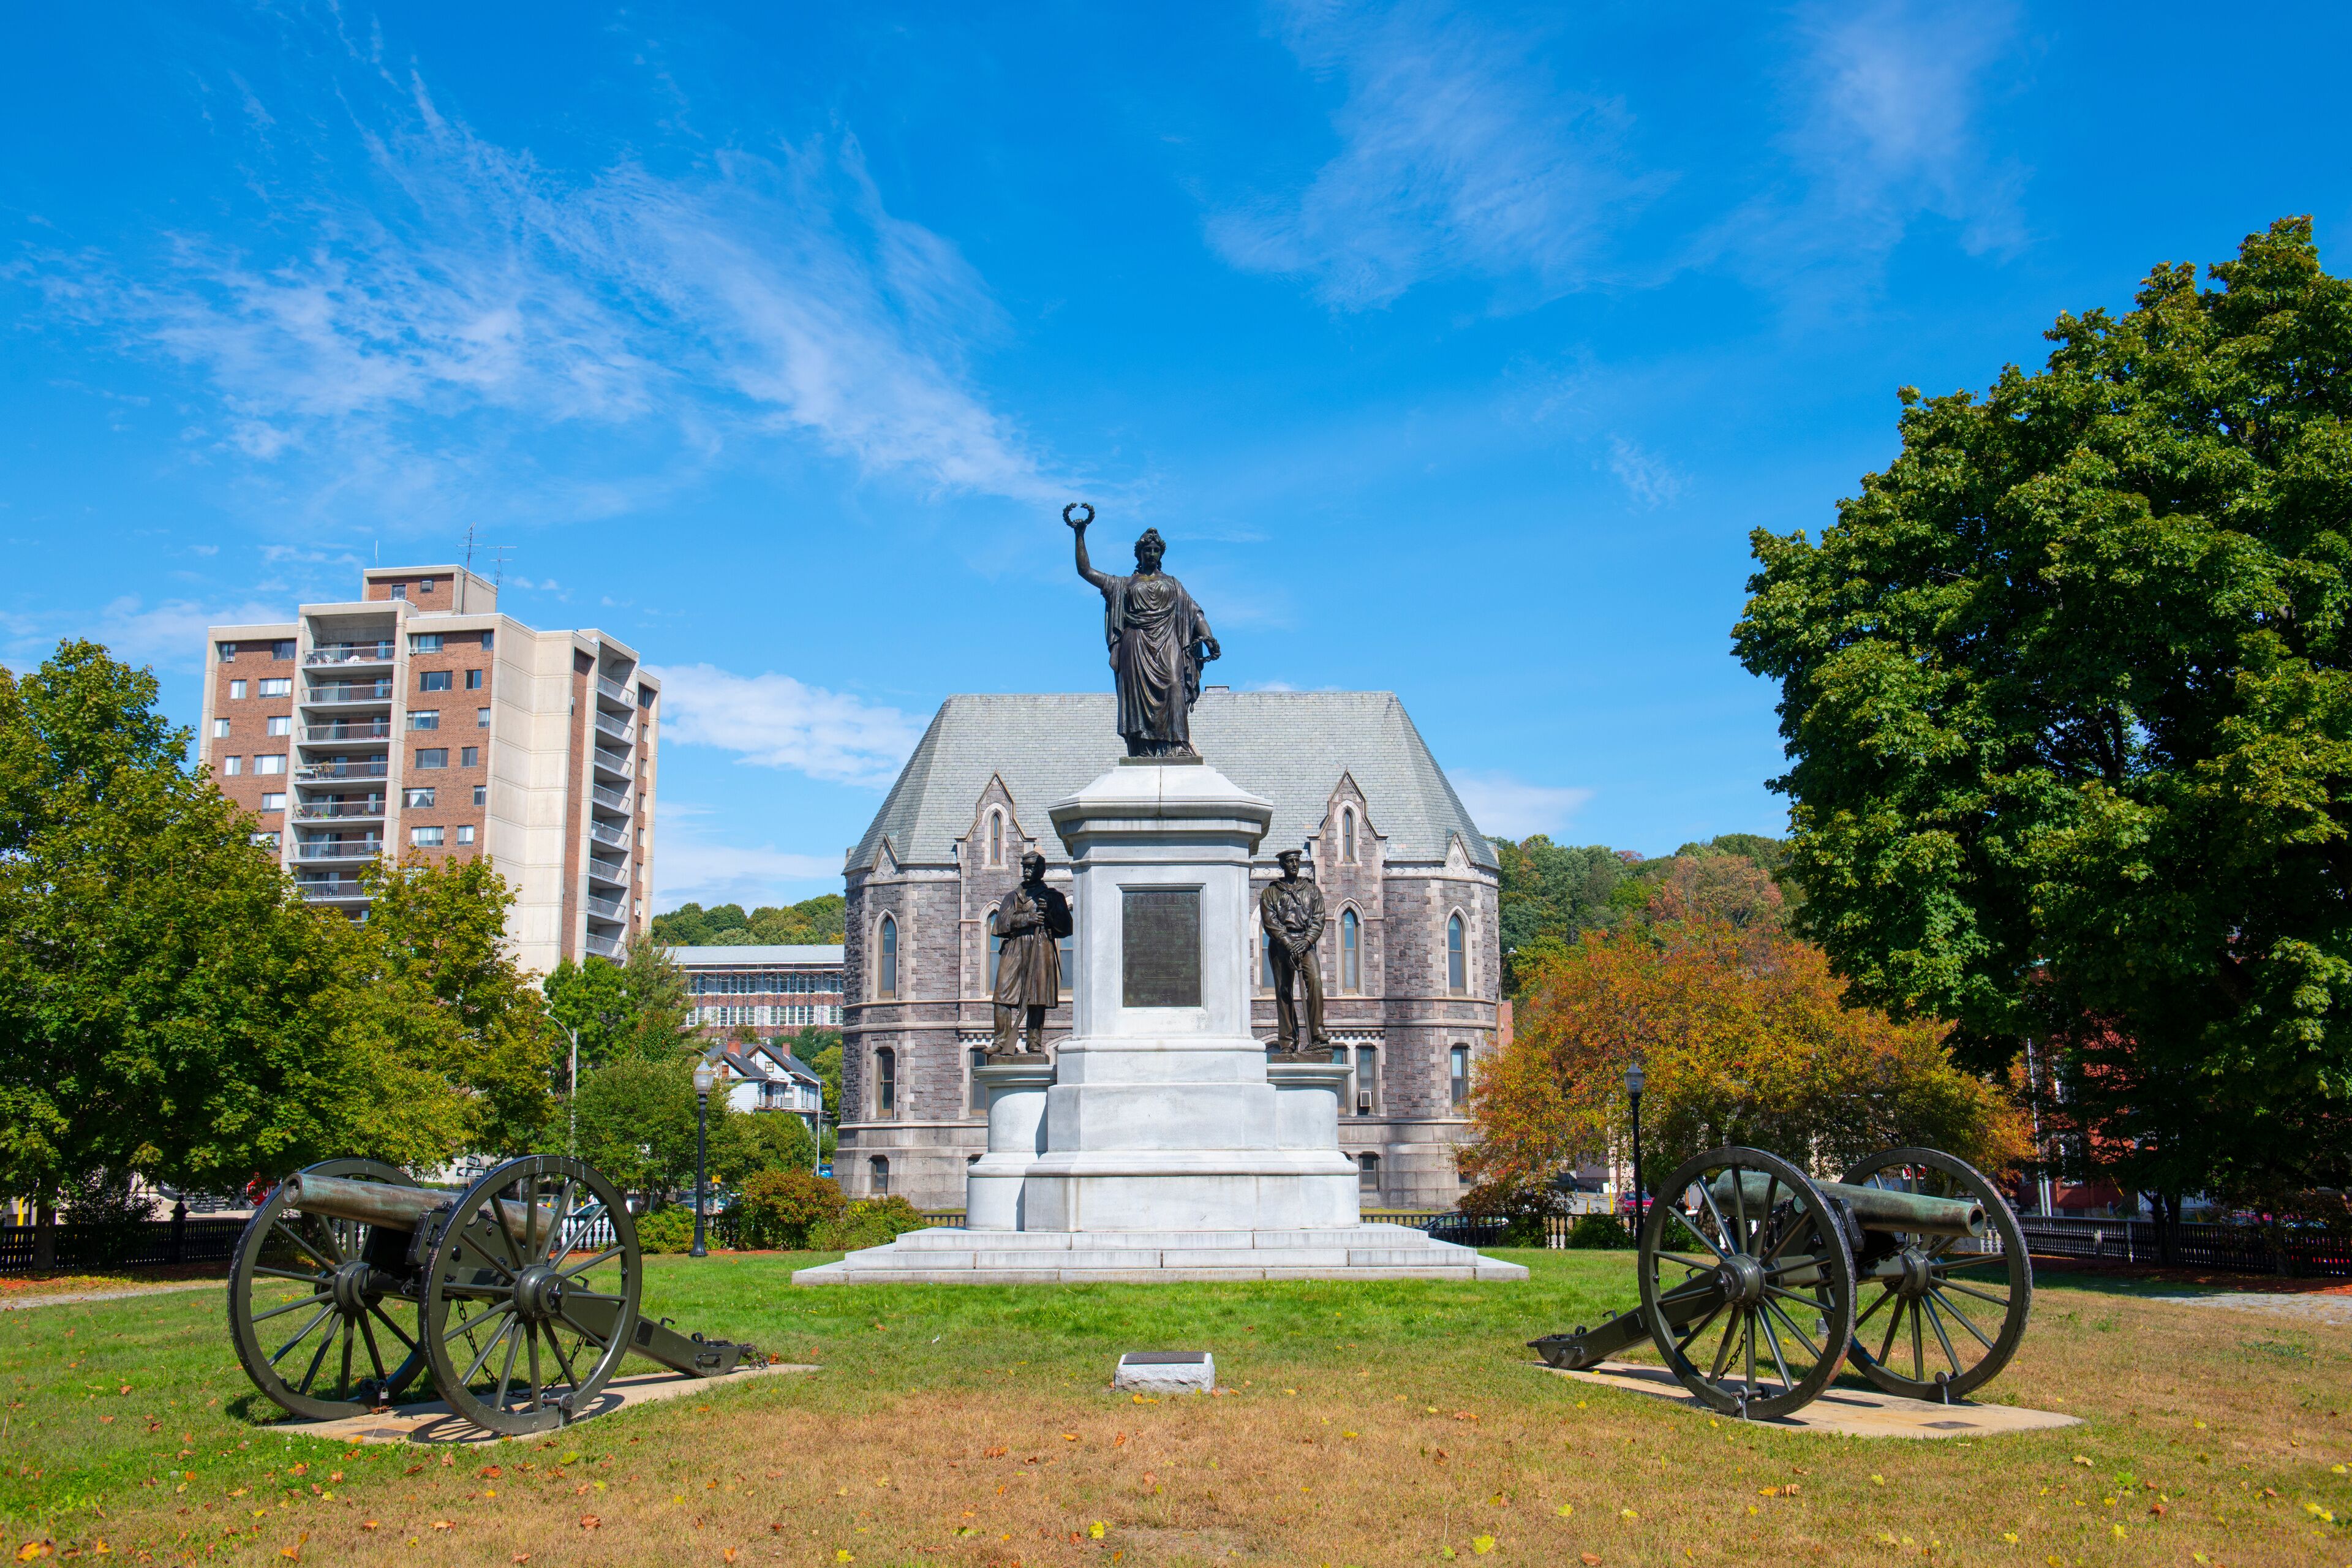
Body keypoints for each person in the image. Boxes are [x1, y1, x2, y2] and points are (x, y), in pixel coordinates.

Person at [1069, 504, 1220, 756]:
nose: (1151, 554)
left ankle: (1178, 746)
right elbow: (1085, 571)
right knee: (1137, 701)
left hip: (1168, 643)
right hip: (1135, 646)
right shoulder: (1123, 585)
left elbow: (1195, 612)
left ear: (1161, 554)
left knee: (1174, 685)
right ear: (1139, 554)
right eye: (1147, 550)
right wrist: (1080, 535)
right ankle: (1142, 749)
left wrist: (1208, 636)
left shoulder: (1173, 584)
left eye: (1155, 550)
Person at [992, 851, 1074, 1056]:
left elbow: (1066, 928)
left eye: (1032, 868)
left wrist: (1052, 913)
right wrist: (1028, 918)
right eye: (1025, 868)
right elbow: (1001, 925)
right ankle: (1001, 1040)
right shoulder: (1012, 897)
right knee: (1002, 994)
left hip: (1041, 946)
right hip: (1015, 947)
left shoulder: (1054, 897)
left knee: (1037, 997)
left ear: (1041, 870)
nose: (1028, 872)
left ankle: (1034, 1041)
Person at [1259, 848, 1330, 1054]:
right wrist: (1288, 943)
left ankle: (1317, 1034)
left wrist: (1306, 941)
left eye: (1297, 861)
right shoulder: (1271, 892)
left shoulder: (1312, 890)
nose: (1294, 865)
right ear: (1283, 865)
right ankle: (1288, 1042)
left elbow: (1319, 919)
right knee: (1284, 992)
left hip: (1305, 944)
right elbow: (1270, 921)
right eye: (1290, 861)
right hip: (1281, 945)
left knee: (1315, 981)